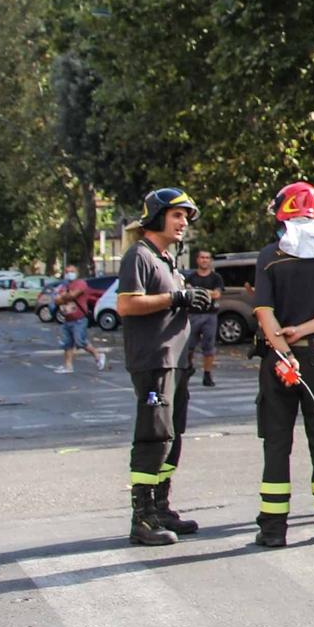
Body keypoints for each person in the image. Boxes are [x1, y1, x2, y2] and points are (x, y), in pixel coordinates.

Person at [252, 181, 314, 547]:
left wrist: (284, 348)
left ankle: (274, 529)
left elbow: (264, 313)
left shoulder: (270, 256)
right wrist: (305, 331)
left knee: (277, 442)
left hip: (279, 359)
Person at [113, 189, 214, 547]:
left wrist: (192, 300)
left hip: (176, 362)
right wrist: (176, 297)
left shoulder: (166, 260)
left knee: (172, 436)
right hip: (153, 362)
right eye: (177, 216)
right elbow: (127, 305)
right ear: (157, 216)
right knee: (153, 436)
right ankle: (141, 516)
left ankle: (160, 506)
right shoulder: (138, 256)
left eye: (186, 217)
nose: (184, 223)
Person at [175, 246, 223, 390]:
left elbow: (217, 294)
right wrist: (206, 293)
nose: (204, 260)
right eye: (202, 257)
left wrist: (199, 291)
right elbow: (187, 291)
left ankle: (207, 374)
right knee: (188, 346)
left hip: (210, 315)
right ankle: (188, 367)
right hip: (193, 315)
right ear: (197, 260)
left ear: (211, 261)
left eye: (207, 258)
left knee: (209, 347)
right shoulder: (191, 277)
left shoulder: (216, 277)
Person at [56, 265, 107, 373]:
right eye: (68, 272)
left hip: (79, 319)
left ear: (77, 272)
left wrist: (64, 296)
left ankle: (98, 356)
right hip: (67, 319)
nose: (70, 273)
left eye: (72, 271)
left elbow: (73, 295)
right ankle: (68, 366)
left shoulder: (81, 283)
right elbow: (57, 300)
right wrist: (64, 296)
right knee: (67, 344)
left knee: (80, 341)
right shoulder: (64, 285)